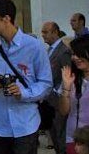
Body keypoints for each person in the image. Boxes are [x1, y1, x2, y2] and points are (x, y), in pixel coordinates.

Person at [0, 0, 52, 154]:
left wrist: (22, 93)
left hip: (26, 123)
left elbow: (46, 83)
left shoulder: (34, 46)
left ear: (6, 19)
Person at [43, 21, 72, 154]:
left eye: (46, 32)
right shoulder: (49, 50)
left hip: (58, 101)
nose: (43, 35)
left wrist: (57, 93)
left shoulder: (63, 51)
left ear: (55, 32)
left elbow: (66, 75)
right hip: (49, 101)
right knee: (54, 136)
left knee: (60, 137)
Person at [58, 35, 89, 154]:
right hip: (73, 138)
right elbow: (63, 111)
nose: (75, 57)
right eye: (73, 54)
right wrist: (66, 88)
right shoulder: (71, 77)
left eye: (79, 53)